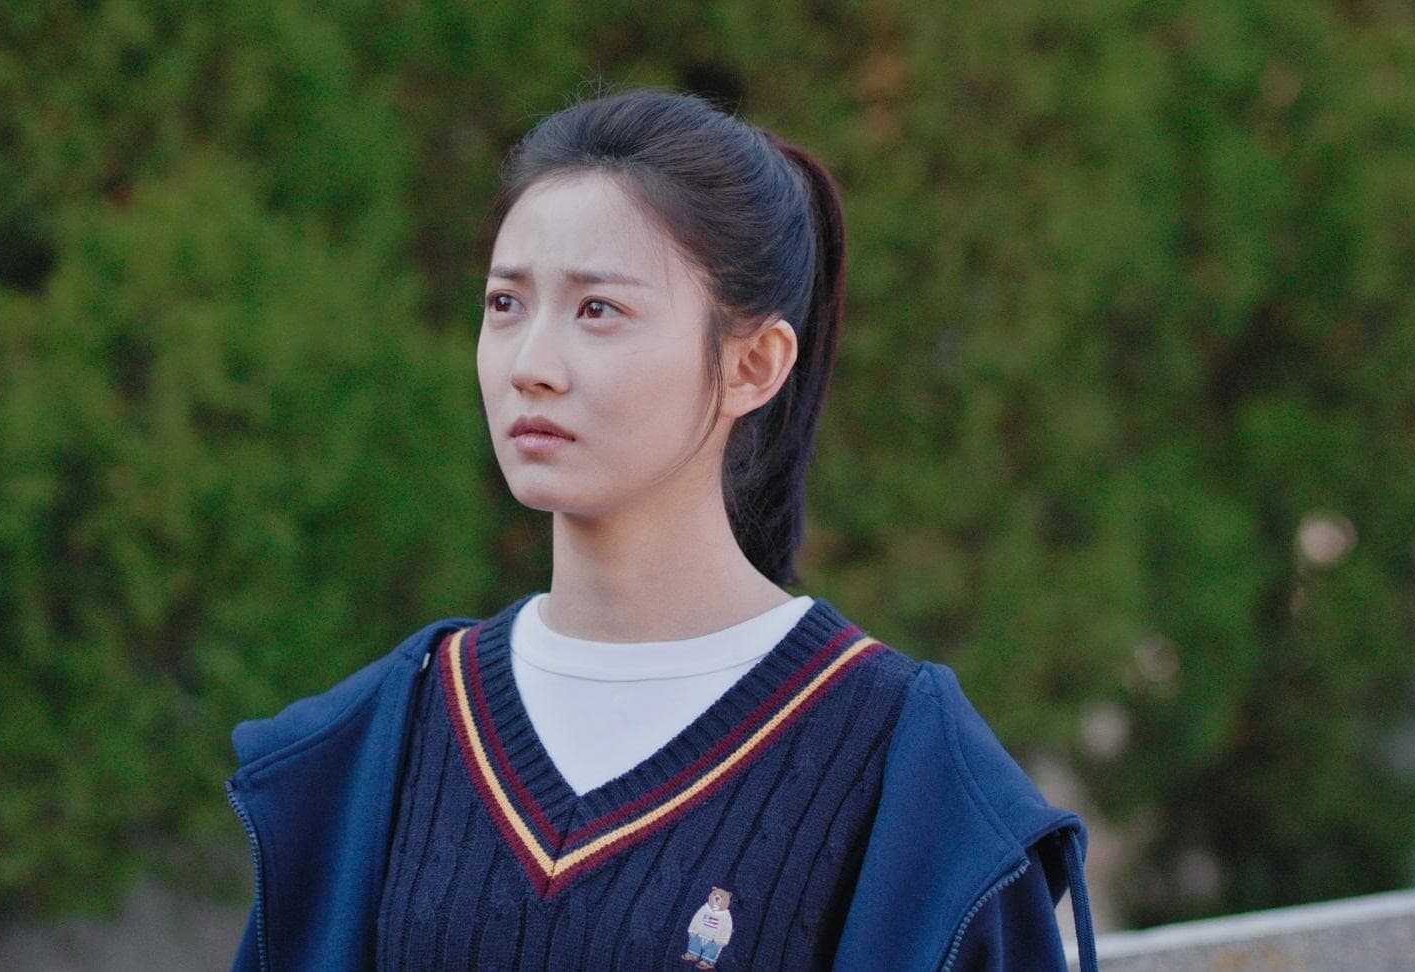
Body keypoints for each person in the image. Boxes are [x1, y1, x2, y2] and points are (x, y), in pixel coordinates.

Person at [224, 87, 1098, 971]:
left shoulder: (909, 776)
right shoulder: (383, 741)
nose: (531, 365)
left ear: (754, 364)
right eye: (505, 304)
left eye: (598, 309)